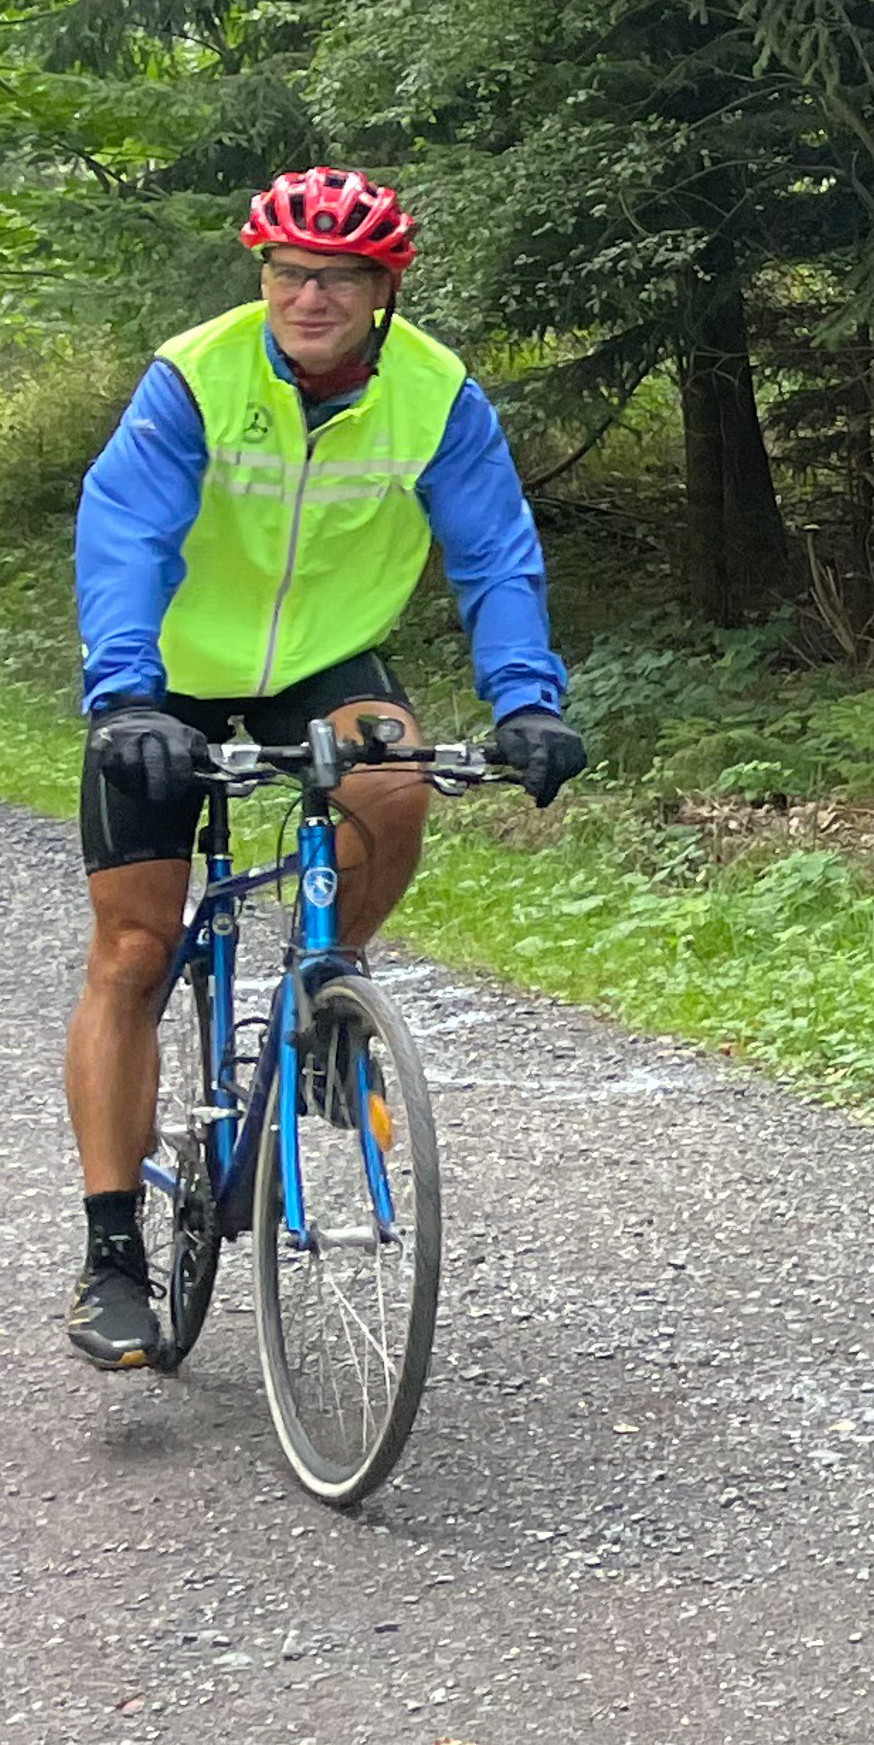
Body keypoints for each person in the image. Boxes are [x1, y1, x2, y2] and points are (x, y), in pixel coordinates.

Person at [59, 165, 587, 1368]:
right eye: (290, 273)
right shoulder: (197, 375)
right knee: (133, 952)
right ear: (263, 278)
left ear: (382, 291)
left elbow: (495, 552)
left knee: (393, 779)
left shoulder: (435, 393)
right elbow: (126, 531)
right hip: (171, 670)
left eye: (340, 278)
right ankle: (112, 1256)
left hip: (323, 659)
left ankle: (329, 995)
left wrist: (526, 700)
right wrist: (127, 696)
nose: (310, 297)